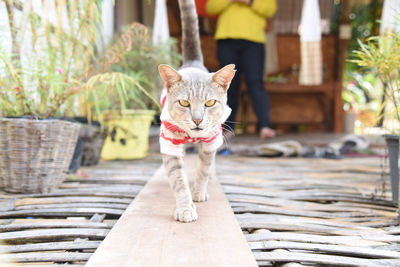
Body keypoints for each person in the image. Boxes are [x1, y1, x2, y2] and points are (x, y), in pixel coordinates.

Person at [206, 0, 277, 138]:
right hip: (226, 40)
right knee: (228, 86)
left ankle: (264, 126)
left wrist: (249, 1)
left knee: (255, 83)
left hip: (253, 41)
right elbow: (211, 7)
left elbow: (270, 9)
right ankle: (227, 128)